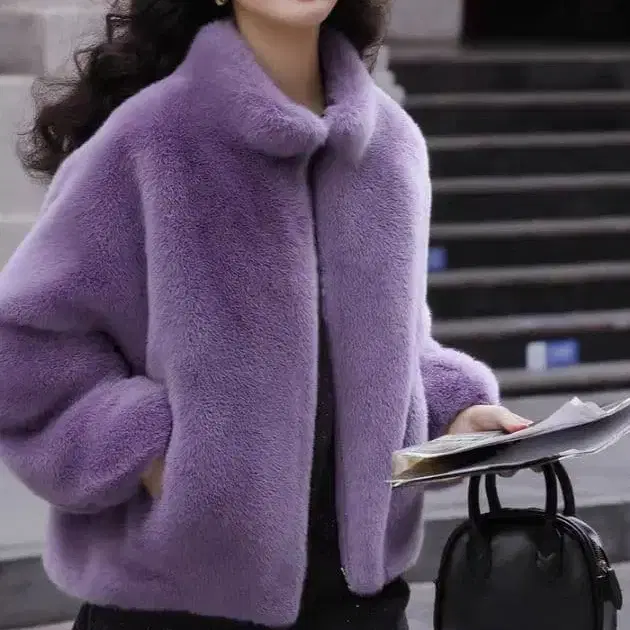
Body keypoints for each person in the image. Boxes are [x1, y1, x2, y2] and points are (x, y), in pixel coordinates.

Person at [0, 0, 531, 628]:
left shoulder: (390, 149)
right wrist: (152, 453)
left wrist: (455, 412)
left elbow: (400, 346)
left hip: (359, 605)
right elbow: (22, 347)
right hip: (178, 608)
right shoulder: (153, 140)